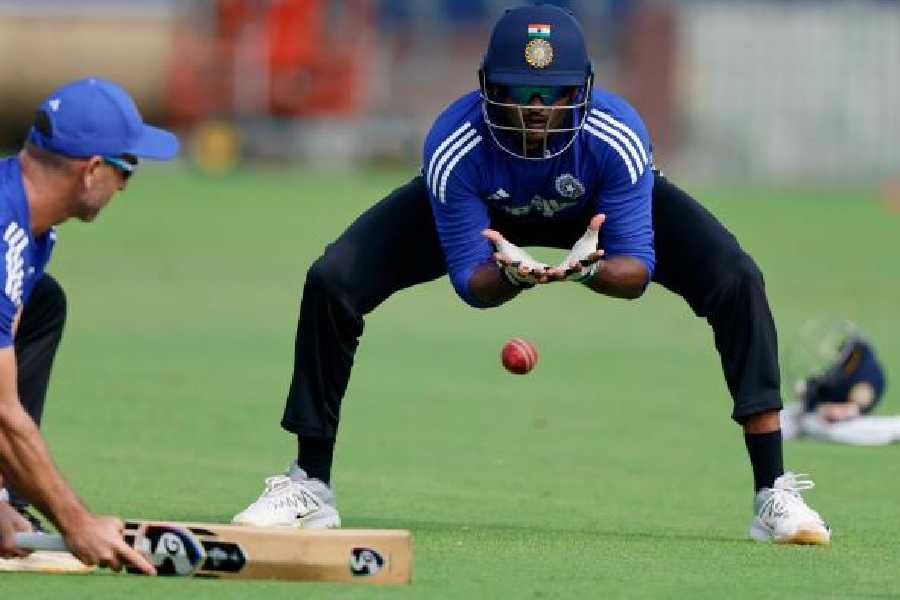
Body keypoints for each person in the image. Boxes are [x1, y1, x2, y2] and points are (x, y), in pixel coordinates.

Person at [233, 4, 830, 544]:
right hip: (487, 209)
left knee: (737, 278)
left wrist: (587, 270)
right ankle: (310, 484)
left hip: (590, 210)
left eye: (555, 93)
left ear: (584, 90)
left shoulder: (615, 137)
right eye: (520, 91)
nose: (537, 109)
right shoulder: (454, 143)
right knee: (332, 280)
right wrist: (510, 277)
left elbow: (637, 270)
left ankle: (772, 492)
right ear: (489, 87)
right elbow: (471, 283)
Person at [0, 77, 180, 572]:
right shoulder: (2, 238)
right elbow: (1, 412)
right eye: (128, 168)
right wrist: (75, 522)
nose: (125, 185)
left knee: (42, 304)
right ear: (93, 169)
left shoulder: (29, 225)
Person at [781, 320, 896, 445]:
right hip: (820, 410)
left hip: (839, 419)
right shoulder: (848, 367)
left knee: (814, 424)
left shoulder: (864, 376)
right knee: (796, 419)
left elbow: (859, 398)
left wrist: (845, 410)